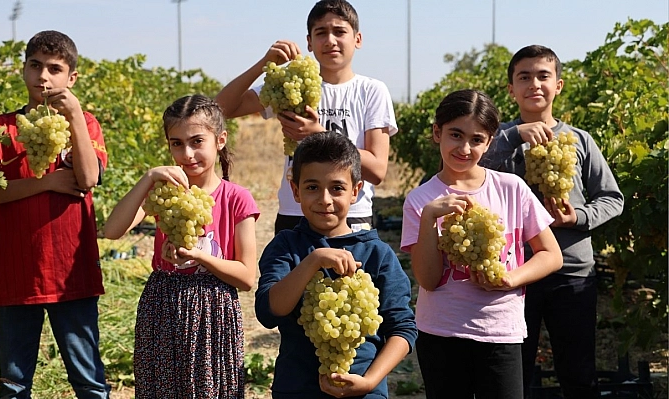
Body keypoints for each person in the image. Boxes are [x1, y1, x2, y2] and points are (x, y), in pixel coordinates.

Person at [479, 45, 624, 399]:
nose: (534, 84)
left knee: (578, 373)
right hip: (515, 272)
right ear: (511, 88)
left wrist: (578, 216)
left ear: (558, 85)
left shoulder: (579, 141)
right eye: (524, 77)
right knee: (514, 372)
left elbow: (613, 199)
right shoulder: (496, 140)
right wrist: (513, 136)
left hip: (572, 272)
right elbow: (473, 172)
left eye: (543, 76)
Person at [0, 30, 110, 398]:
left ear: (71, 78)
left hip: (71, 273)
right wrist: (47, 183)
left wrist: (76, 115)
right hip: (18, 273)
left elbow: (88, 176)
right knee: (14, 385)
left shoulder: (85, 125)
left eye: (54, 69)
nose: (43, 77)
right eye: (35, 66)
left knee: (89, 382)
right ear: (24, 70)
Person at [400, 89, 564, 399]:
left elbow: (551, 255)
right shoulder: (420, 200)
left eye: (477, 139)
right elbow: (428, 280)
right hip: (441, 332)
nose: (464, 148)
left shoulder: (512, 188)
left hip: (501, 330)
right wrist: (429, 219)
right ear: (437, 133)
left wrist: (510, 279)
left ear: (489, 142)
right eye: (455, 135)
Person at [102, 94, 259, 399]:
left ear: (220, 140)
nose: (187, 154)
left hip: (213, 312)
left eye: (197, 141)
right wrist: (148, 178)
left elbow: (246, 277)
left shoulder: (237, 198)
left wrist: (200, 256)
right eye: (176, 143)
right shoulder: (164, 193)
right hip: (162, 306)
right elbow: (112, 230)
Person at [255, 131, 417, 398]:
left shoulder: (378, 254)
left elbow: (402, 329)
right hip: (298, 390)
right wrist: (314, 260)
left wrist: (370, 381)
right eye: (312, 187)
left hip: (365, 391)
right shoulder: (286, 246)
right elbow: (269, 311)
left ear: (355, 191)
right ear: (295, 191)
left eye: (337, 188)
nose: (325, 199)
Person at [215, 0, 397, 234]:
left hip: (351, 216)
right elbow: (218, 110)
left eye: (340, 32)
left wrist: (319, 134)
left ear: (357, 39)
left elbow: (377, 170)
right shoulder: (290, 84)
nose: (331, 40)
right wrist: (263, 65)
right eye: (321, 33)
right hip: (295, 215)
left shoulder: (371, 91)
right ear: (309, 42)